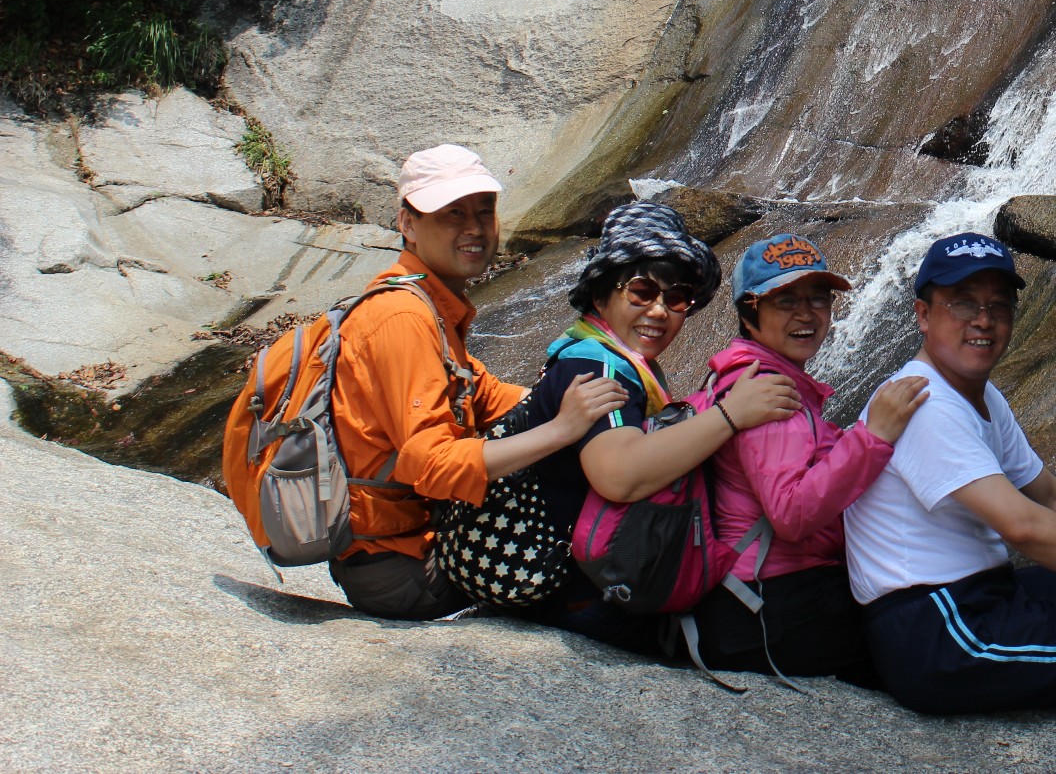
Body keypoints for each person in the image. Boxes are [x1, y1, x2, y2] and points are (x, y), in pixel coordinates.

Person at [842, 232, 1056, 731]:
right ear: (923, 315)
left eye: (998, 306)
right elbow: (1023, 525)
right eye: (963, 304)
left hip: (978, 599)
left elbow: (1050, 493)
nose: (983, 321)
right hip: (937, 630)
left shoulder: (980, 396)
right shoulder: (924, 404)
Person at [329, 144, 629, 620]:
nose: (473, 228)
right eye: (452, 214)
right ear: (407, 224)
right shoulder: (401, 317)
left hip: (413, 547)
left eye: (483, 212)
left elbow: (487, 395)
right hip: (403, 569)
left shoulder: (430, 303)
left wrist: (592, 409)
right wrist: (562, 429)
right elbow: (431, 464)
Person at [514, 201, 801, 651]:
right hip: (579, 597)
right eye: (642, 291)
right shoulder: (596, 368)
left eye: (677, 298)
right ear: (600, 295)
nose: (659, 311)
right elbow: (620, 475)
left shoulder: (613, 362)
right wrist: (729, 416)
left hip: (585, 581)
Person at [692, 234, 930, 683]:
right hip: (773, 607)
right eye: (785, 301)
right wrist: (872, 436)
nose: (807, 314)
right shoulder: (767, 391)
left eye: (818, 299)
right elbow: (792, 514)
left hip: (760, 601)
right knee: (928, 640)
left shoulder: (750, 376)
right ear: (749, 312)